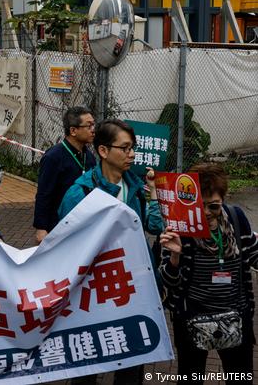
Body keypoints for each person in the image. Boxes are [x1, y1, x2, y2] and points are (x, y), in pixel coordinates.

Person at [58, 119, 164, 385]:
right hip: (93, 293)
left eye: (133, 149)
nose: (131, 155)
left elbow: (154, 226)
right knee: (87, 362)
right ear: (103, 151)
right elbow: (65, 244)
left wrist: (152, 192)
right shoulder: (80, 192)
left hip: (132, 290)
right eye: (125, 148)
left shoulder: (136, 187)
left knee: (132, 364)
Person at [160, 163, 258, 384]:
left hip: (235, 318)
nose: (206, 213)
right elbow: (168, 282)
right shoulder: (180, 226)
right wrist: (174, 257)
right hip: (192, 318)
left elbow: (254, 256)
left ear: (222, 200)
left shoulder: (236, 218)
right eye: (200, 205)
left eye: (213, 206)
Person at [34, 106, 97, 243]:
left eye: (93, 124)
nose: (93, 130)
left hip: (82, 223)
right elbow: (44, 194)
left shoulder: (89, 157)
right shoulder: (53, 157)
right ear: (73, 130)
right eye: (89, 125)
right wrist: (41, 227)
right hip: (57, 224)